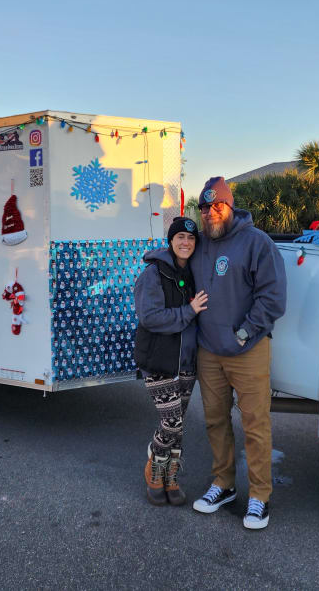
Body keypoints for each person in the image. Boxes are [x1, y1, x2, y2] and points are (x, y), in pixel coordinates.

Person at [189, 177, 287, 530]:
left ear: (230, 206)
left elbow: (273, 298)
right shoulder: (198, 244)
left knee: (255, 424)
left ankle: (260, 495)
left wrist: (244, 333)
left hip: (248, 349)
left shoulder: (257, 242)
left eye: (217, 206)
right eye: (204, 207)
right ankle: (224, 484)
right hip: (209, 351)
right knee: (215, 420)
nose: (210, 213)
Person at [134, 216, 208, 506]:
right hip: (160, 360)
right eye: (180, 237)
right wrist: (188, 311)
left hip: (187, 362)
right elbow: (150, 317)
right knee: (171, 422)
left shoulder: (195, 272)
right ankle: (155, 466)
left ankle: (171, 476)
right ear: (171, 241)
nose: (186, 242)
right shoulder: (153, 273)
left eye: (191, 238)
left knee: (178, 424)